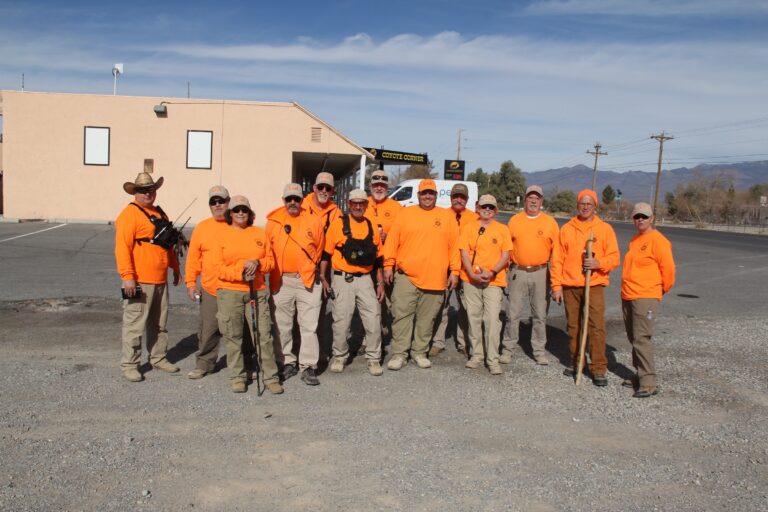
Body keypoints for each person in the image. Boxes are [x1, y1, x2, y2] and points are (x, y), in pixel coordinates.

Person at [383, 178, 460, 370]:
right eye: (424, 193)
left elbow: (455, 247)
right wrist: (388, 265)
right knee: (402, 316)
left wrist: (455, 271)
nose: (427, 196)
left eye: (431, 193)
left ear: (436, 195)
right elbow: (392, 241)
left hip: (436, 278)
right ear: (418, 195)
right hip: (406, 276)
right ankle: (399, 354)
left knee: (427, 319)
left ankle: (419, 352)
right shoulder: (405, 214)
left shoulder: (447, 216)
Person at [213, 196, 282, 394]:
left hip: (257, 291)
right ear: (230, 214)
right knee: (233, 336)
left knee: (262, 336)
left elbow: (270, 262)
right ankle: (238, 376)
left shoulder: (259, 234)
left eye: (244, 209)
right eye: (236, 210)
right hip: (229, 292)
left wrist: (258, 264)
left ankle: (270, 377)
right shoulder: (222, 235)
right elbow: (217, 267)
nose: (240, 213)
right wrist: (240, 272)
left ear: (250, 213)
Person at [115, 172, 180, 382]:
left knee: (160, 323)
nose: (147, 193)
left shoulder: (160, 213)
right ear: (135, 192)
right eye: (143, 190)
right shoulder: (129, 215)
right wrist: (127, 277)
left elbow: (168, 244)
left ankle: (158, 357)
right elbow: (122, 248)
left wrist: (175, 267)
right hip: (139, 280)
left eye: (151, 189)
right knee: (134, 323)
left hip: (160, 280)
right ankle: (130, 364)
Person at [551, 189, 620, 386]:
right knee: (574, 326)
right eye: (583, 203)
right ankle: (577, 362)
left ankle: (598, 368)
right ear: (578, 205)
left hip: (594, 285)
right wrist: (556, 286)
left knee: (596, 327)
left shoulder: (604, 229)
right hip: (570, 285)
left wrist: (599, 263)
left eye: (589, 203)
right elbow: (557, 259)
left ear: (595, 206)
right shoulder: (567, 229)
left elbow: (614, 257)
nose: (586, 206)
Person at [320, 189, 385, 376]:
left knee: (373, 318)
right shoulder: (338, 225)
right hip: (343, 279)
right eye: (354, 203)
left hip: (366, 280)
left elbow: (378, 258)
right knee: (341, 320)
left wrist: (379, 283)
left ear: (366, 205)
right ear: (348, 204)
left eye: (361, 203)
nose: (358, 206)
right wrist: (324, 277)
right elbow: (326, 253)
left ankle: (374, 358)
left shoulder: (372, 226)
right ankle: (339, 356)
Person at [266, 183, 325, 386]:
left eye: (296, 199)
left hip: (306, 280)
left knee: (309, 326)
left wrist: (306, 269)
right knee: (282, 325)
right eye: (289, 199)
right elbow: (267, 250)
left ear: (302, 200)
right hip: (282, 280)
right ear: (283, 200)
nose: (293, 202)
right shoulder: (273, 222)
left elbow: (319, 248)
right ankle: (286, 362)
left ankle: (308, 366)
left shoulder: (313, 220)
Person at [621, 202, 676, 398]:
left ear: (652, 218)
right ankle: (639, 373)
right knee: (634, 337)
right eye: (637, 217)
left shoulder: (658, 240)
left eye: (644, 216)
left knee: (642, 338)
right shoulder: (635, 240)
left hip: (645, 296)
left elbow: (668, 271)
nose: (640, 220)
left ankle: (649, 382)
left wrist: (657, 291)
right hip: (629, 294)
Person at [501, 185, 560, 365]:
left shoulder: (550, 223)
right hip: (517, 271)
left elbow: (557, 255)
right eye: (530, 197)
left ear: (541, 201)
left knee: (540, 314)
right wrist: (503, 274)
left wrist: (556, 283)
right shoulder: (514, 221)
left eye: (537, 198)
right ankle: (508, 348)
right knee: (513, 313)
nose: (533, 201)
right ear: (525, 199)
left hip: (541, 273)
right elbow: (505, 250)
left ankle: (539, 350)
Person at [458, 194, 512, 375]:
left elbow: (506, 255)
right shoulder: (468, 227)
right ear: (477, 207)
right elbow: (464, 252)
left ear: (495, 210)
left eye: (490, 207)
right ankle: (477, 355)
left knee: (491, 319)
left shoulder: (503, 229)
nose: (487, 210)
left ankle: (493, 359)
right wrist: (471, 273)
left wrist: (492, 272)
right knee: (473, 317)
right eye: (484, 207)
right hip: (471, 279)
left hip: (494, 280)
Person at [184, 185, 230, 379]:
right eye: (214, 202)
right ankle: (205, 364)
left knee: (238, 330)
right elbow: (193, 258)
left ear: (229, 202)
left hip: (234, 289)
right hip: (210, 288)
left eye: (221, 201)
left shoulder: (238, 223)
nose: (218, 205)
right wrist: (190, 282)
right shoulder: (202, 227)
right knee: (208, 329)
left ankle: (244, 364)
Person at [431, 182, 476, 357]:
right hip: (444, 267)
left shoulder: (474, 218)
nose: (459, 199)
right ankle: (438, 342)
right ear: (450, 198)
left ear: (467, 199)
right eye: (455, 196)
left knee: (465, 307)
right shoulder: (442, 215)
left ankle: (464, 343)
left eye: (462, 197)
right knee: (441, 305)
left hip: (466, 270)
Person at [364, 169, 402, 244]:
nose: (379, 188)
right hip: (365, 252)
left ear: (387, 187)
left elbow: (402, 232)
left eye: (382, 185)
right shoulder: (362, 204)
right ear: (370, 186)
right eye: (376, 185)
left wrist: (388, 236)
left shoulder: (397, 207)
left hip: (387, 252)